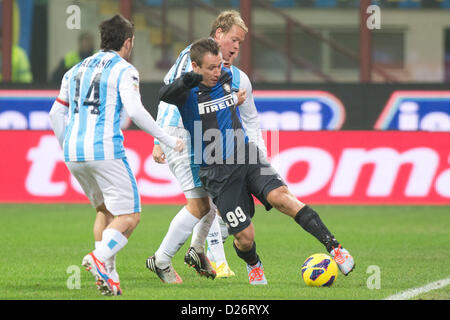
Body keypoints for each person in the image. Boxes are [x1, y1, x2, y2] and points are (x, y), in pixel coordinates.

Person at [158, 37, 355, 285]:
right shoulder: (185, 94)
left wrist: (232, 97)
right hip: (218, 173)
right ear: (195, 67)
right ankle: (254, 264)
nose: (218, 72)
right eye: (211, 68)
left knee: (283, 198)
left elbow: (227, 101)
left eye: (220, 65)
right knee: (244, 237)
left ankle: (335, 248)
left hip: (247, 156)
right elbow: (163, 93)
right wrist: (187, 80)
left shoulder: (226, 79)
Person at [48, 14, 183, 296]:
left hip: (73, 152)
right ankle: (99, 258)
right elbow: (134, 112)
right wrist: (167, 139)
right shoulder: (124, 70)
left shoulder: (73, 70)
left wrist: (67, 146)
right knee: (130, 215)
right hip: (105, 149)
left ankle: (108, 276)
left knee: (105, 211)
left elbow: (56, 112)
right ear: (128, 42)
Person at [146, 10, 266, 283]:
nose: (236, 46)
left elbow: (177, 91)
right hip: (183, 134)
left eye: (241, 43)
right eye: (234, 39)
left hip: (194, 134)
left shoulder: (208, 63)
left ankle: (197, 250)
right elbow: (170, 94)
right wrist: (160, 138)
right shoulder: (198, 58)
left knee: (212, 198)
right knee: (201, 203)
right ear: (219, 34)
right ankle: (162, 259)